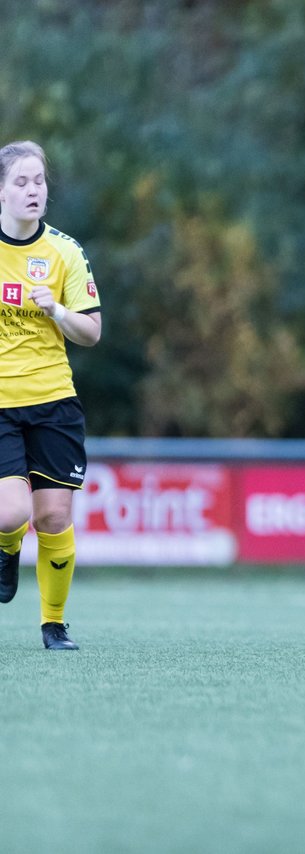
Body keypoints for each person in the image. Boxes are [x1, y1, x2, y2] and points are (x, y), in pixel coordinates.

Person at [0, 140, 103, 650]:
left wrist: (58, 313)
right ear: (0, 191)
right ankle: (4, 548)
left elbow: (93, 332)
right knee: (10, 513)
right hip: (0, 403)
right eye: (20, 182)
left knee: (55, 517)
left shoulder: (65, 251)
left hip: (54, 399)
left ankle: (53, 624)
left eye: (38, 181)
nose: (32, 190)